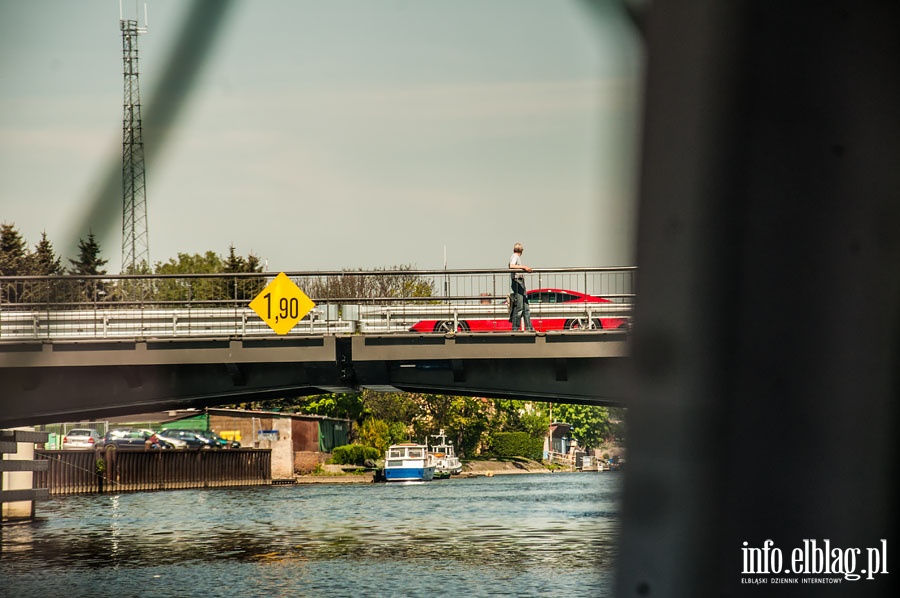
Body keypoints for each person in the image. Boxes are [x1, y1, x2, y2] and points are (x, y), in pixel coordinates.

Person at [508, 242, 535, 332]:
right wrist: (524, 267)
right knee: (520, 307)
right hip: (517, 282)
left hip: (519, 282)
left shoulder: (515, 256)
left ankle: (529, 327)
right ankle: (515, 329)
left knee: (525, 307)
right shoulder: (515, 256)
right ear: (522, 251)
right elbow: (511, 266)